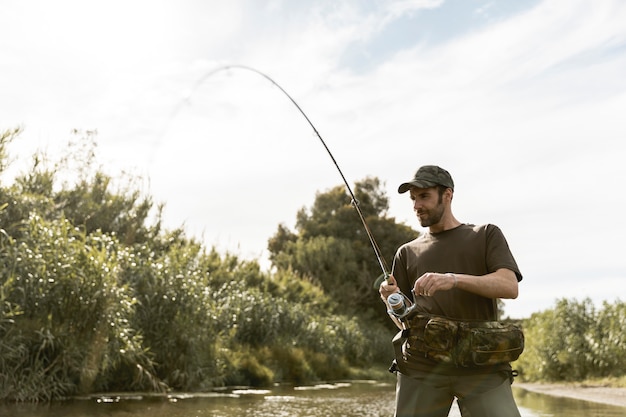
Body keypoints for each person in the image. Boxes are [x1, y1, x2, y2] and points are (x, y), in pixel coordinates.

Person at [379, 165, 523, 417]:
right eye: (413, 198)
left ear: (448, 195)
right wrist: (391, 303)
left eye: (424, 196)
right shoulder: (406, 252)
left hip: (481, 365)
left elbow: (508, 286)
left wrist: (453, 280)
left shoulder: (485, 234)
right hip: (421, 367)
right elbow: (403, 323)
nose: (416, 205)